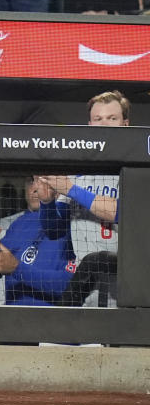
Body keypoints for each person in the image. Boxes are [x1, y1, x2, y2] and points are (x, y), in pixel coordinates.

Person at [38, 90, 128, 307]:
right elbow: (53, 230)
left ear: (126, 124)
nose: (104, 125)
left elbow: (123, 212)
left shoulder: (135, 170)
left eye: (112, 118)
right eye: (98, 119)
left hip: (125, 281)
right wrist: (47, 203)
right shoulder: (75, 171)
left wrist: (71, 190)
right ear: (89, 125)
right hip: (84, 287)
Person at [0, 176, 75, 305]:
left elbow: (72, 285)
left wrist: (17, 268)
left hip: (57, 320)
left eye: (43, 181)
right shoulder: (20, 223)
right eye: (31, 181)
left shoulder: (76, 225)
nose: (35, 188)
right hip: (12, 318)